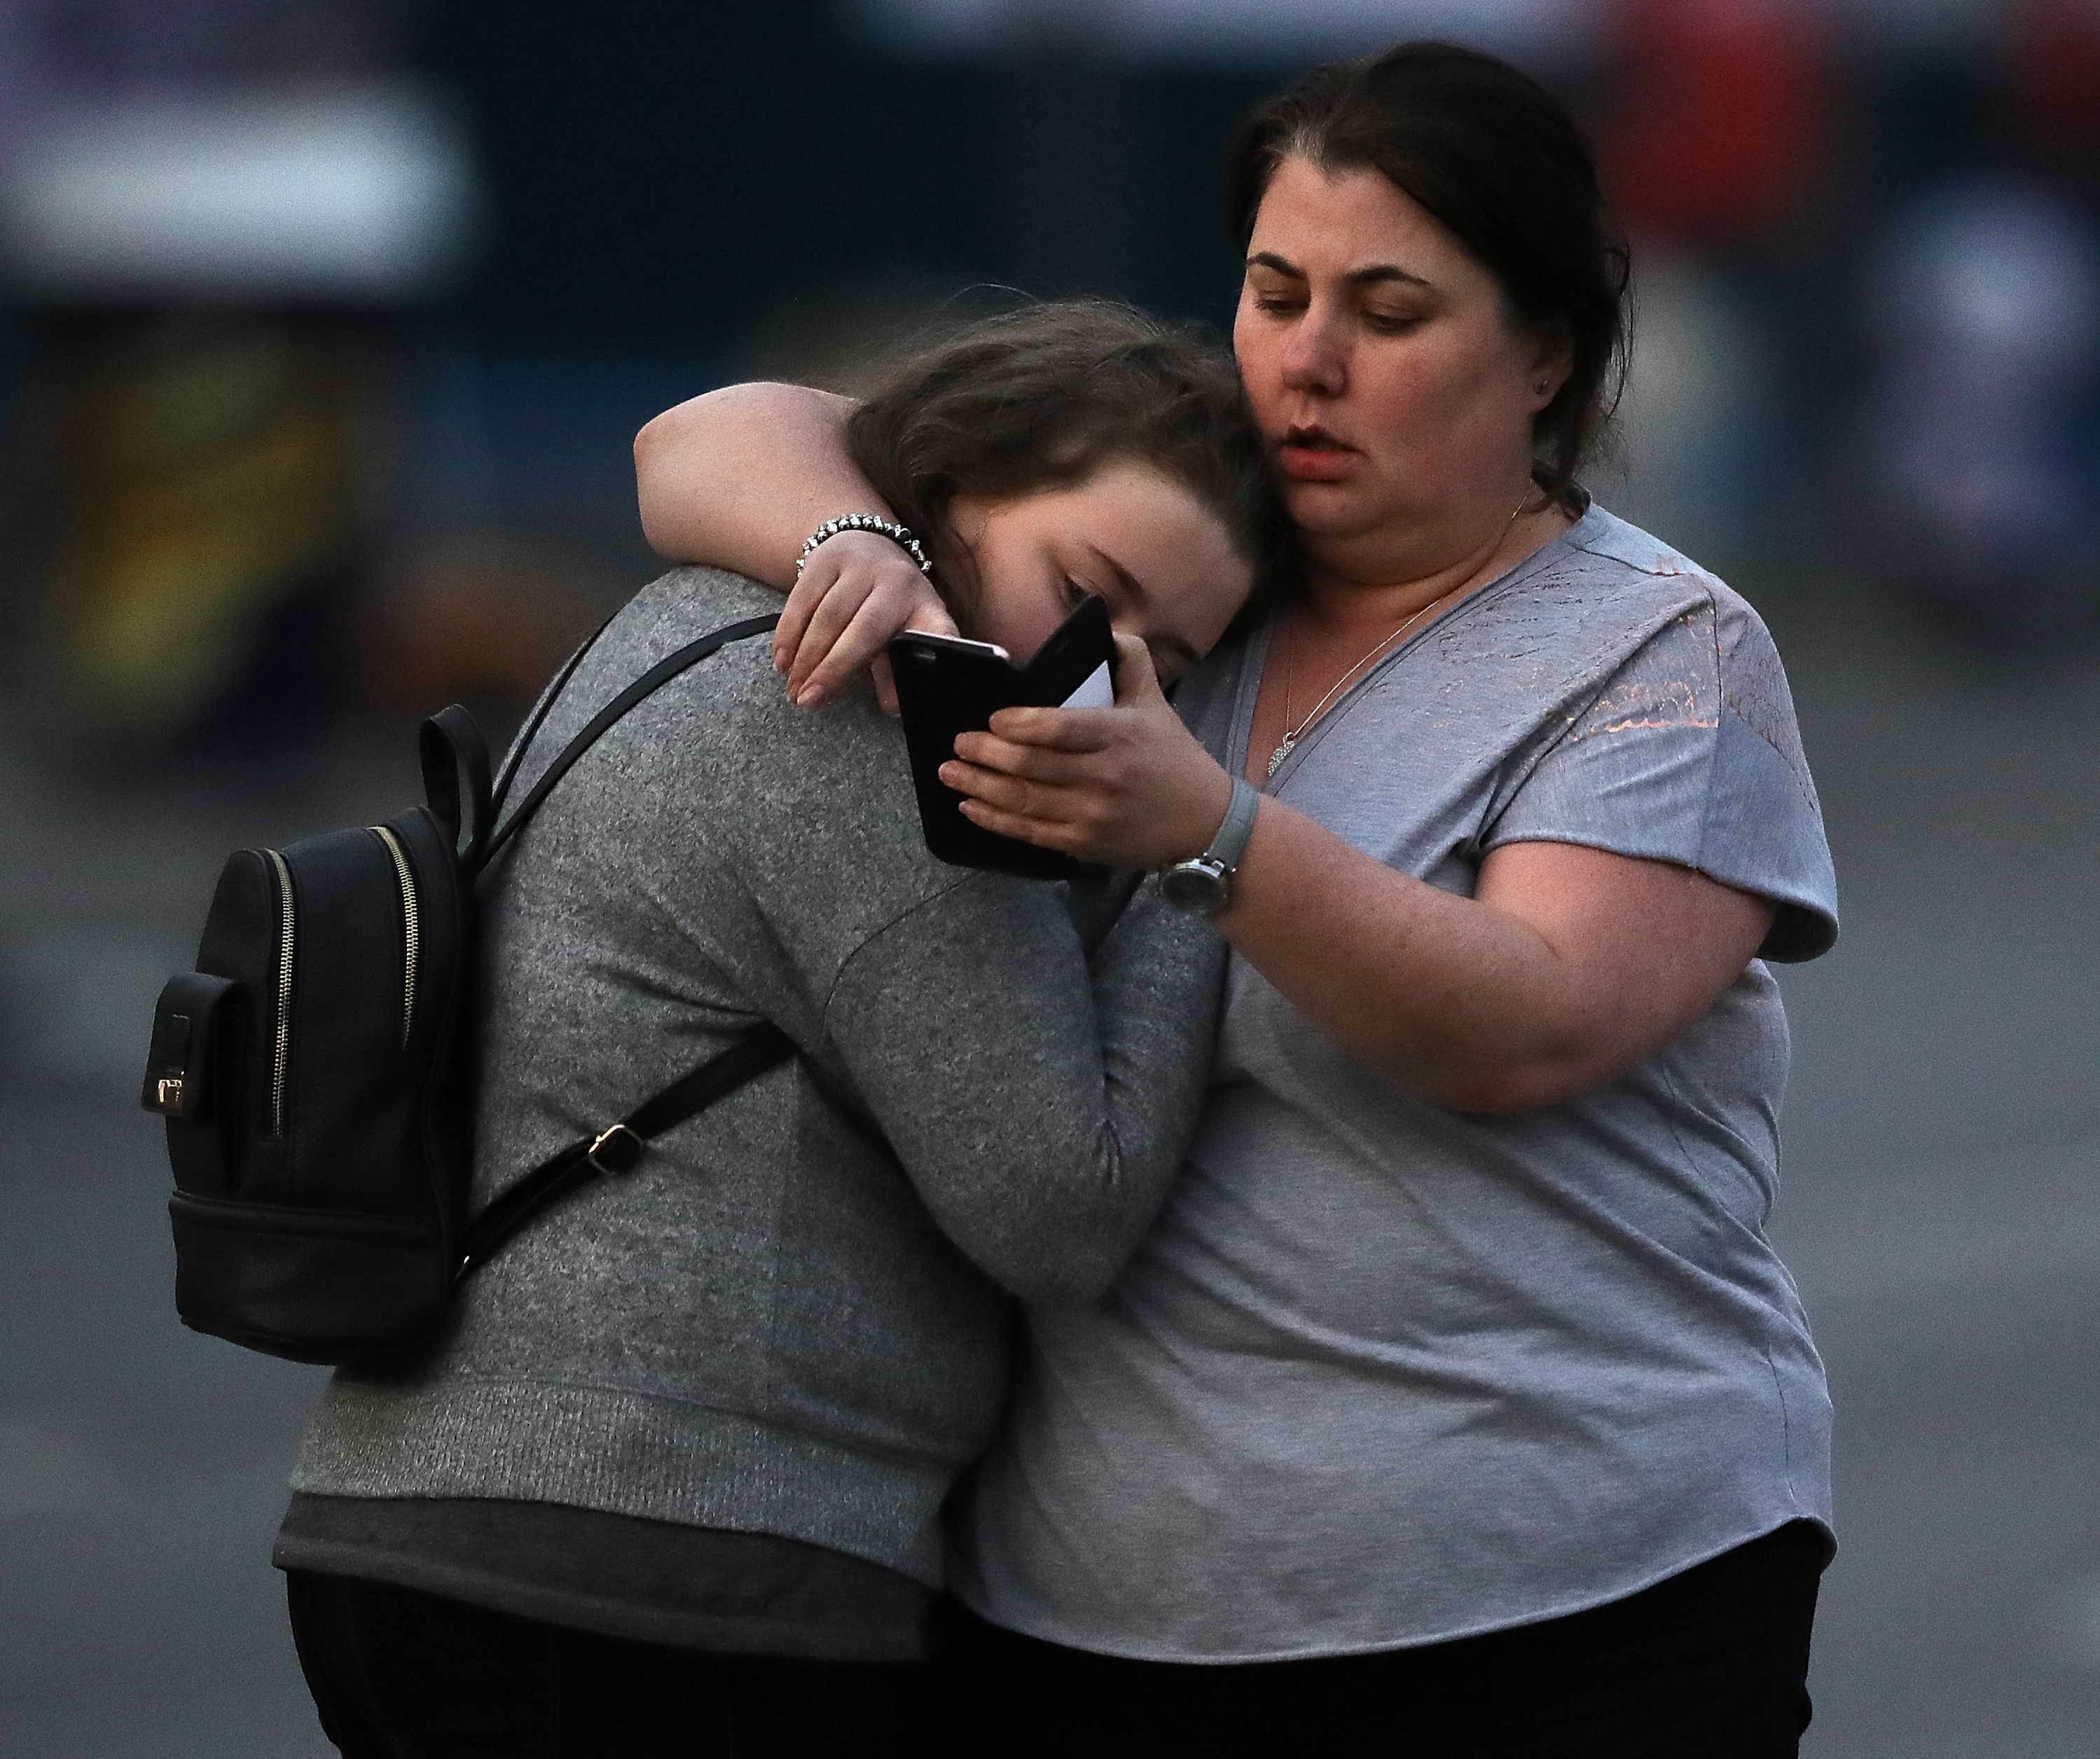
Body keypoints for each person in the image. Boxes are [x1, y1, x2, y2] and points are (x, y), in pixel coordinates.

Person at [633, 41, 1840, 1759]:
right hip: (1081, 1614)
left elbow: (1530, 1020)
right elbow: (712, 432)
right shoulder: (1185, 550)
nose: (1306, 363)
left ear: (1545, 354)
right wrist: (860, 540)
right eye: (1273, 293)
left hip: (1571, 1594)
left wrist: (1212, 833)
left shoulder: (1659, 647)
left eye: (1390, 311)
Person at [270, 301, 1283, 1758]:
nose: (1104, 675)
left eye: (1170, 664)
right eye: (1084, 584)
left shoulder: (692, 608)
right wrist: (1213, 826)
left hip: (443, 1520)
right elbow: (1062, 1205)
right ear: (952, 482)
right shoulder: (876, 736)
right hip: (650, 1574)